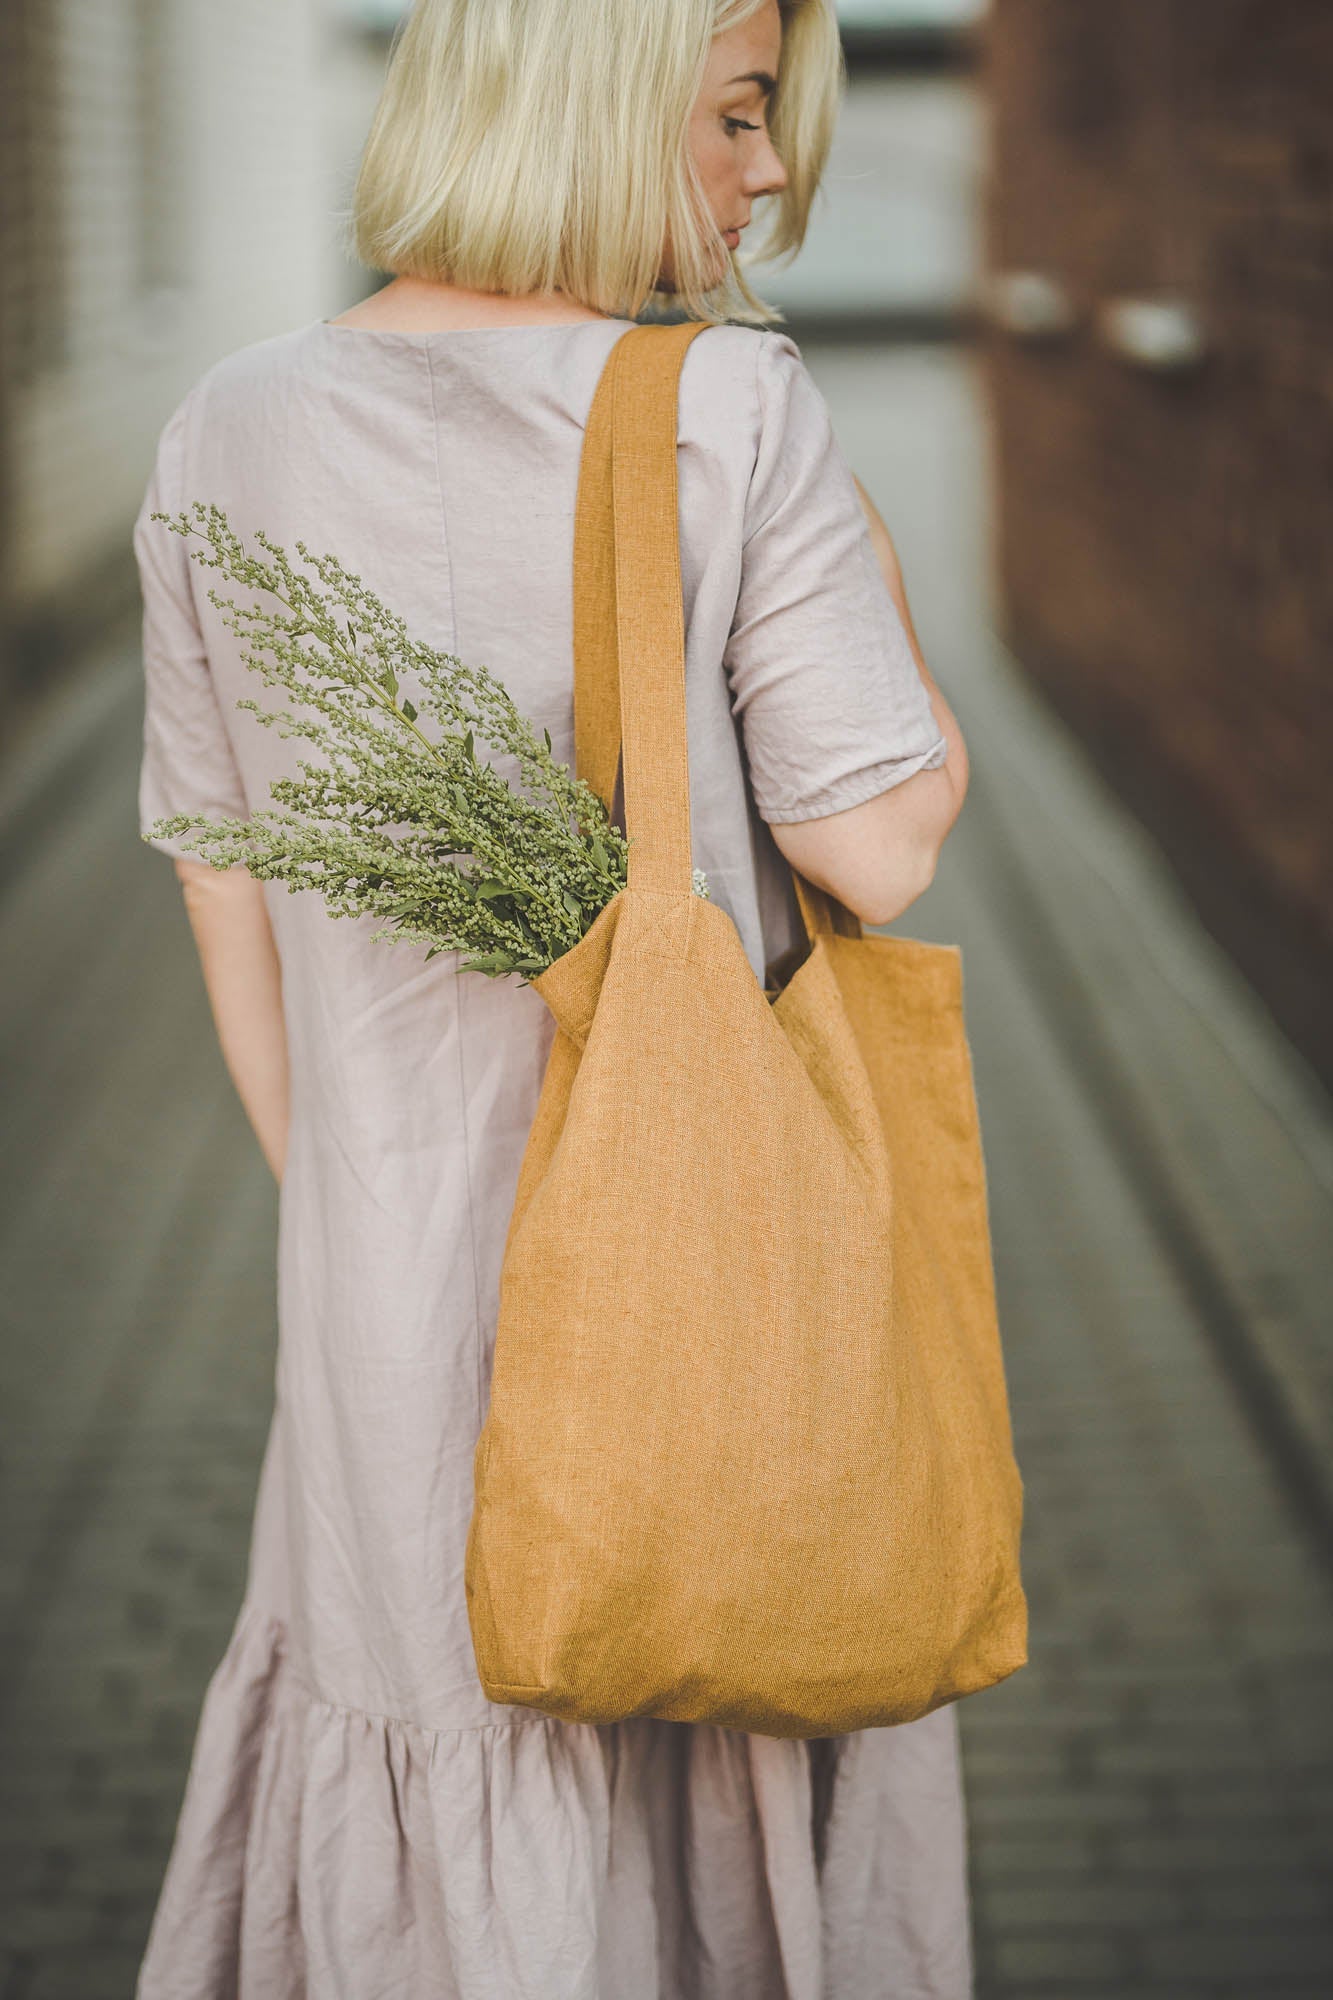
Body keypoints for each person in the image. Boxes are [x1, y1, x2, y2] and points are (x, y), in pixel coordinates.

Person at [132, 0, 972, 1993]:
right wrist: (857, 529)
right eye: (745, 116)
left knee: (428, 1746)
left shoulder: (226, 424)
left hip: (381, 1320)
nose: (768, 177)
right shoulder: (727, 412)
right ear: (600, 102)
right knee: (712, 1717)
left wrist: (369, 1209)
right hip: (715, 1288)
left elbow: (227, 903)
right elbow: (885, 845)